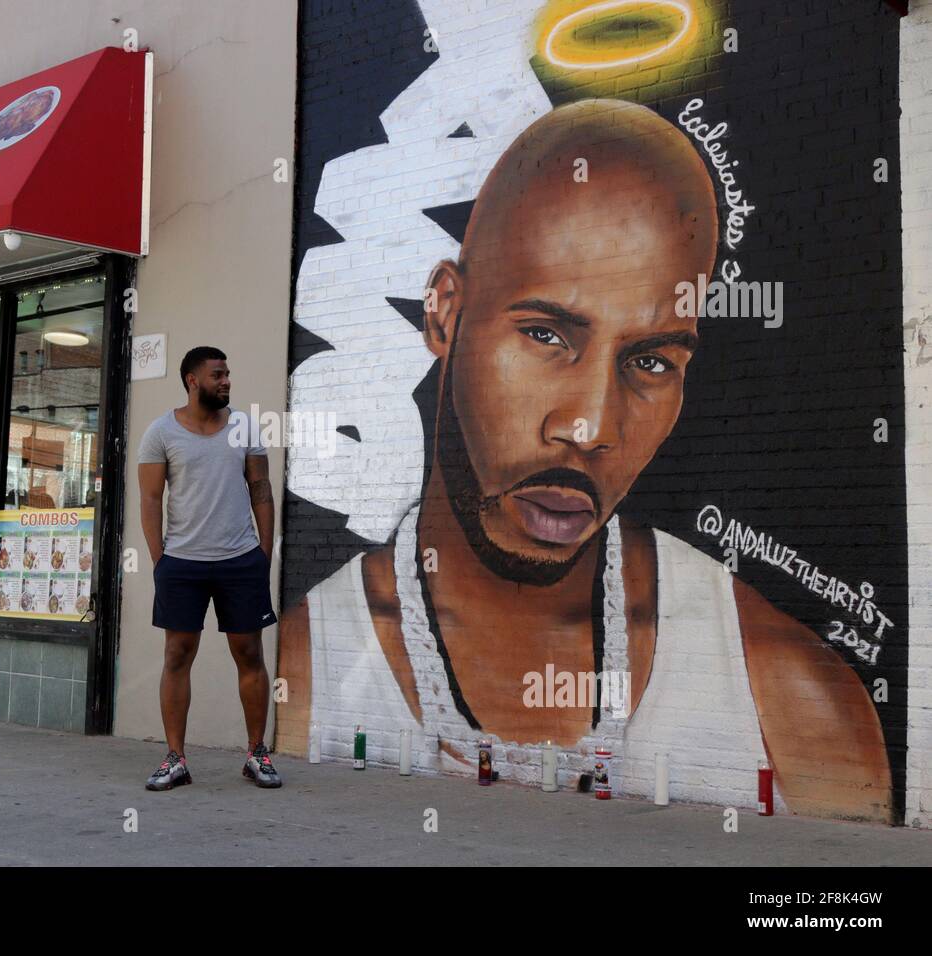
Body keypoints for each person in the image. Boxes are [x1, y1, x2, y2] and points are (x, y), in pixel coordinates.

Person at [278, 99, 892, 822]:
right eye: (545, 335)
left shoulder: (790, 698)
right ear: (444, 311)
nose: (591, 426)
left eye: (652, 360)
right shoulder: (307, 671)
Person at [138, 346, 281, 790]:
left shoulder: (244, 427)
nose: (226, 381)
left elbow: (261, 489)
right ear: (192, 380)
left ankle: (257, 754)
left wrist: (263, 553)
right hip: (182, 562)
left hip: (240, 560)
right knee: (177, 655)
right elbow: (149, 498)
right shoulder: (160, 432)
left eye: (228, 374)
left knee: (250, 655)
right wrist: (160, 559)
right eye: (217, 374)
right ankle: (175, 758)